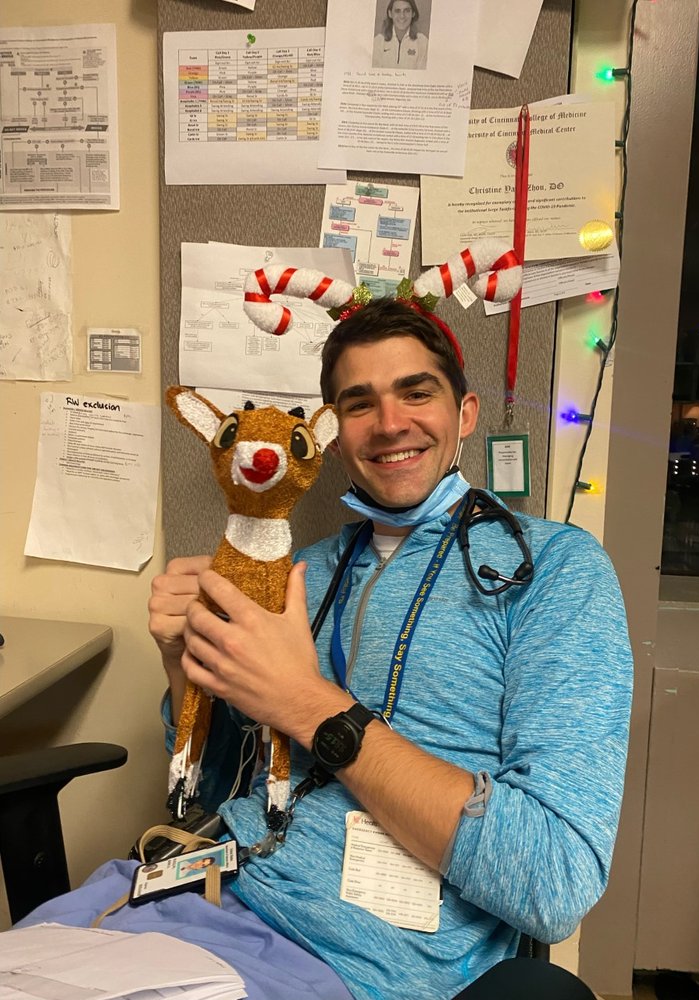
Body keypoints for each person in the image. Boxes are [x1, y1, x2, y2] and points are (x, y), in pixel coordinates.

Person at [16, 299, 632, 1000]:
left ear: (464, 413)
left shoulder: (554, 571)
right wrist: (185, 664)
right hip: (178, 896)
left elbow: (552, 881)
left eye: (415, 391)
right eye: (359, 403)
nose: (391, 422)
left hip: (346, 956)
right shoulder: (299, 576)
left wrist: (311, 706)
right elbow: (217, 789)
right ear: (334, 437)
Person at [372, 0, 429, 70]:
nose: (402, 16)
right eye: (397, 11)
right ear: (390, 14)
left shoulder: (423, 42)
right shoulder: (378, 42)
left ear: (413, 13)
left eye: (407, 10)